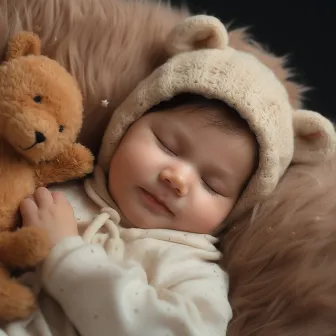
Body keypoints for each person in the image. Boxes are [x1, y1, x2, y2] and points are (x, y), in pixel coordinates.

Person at [2, 15, 335, 336]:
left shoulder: (191, 269)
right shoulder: (56, 190)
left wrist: (68, 255)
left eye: (211, 184)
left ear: (234, 209)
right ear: (125, 125)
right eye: (168, 146)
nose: (178, 178)